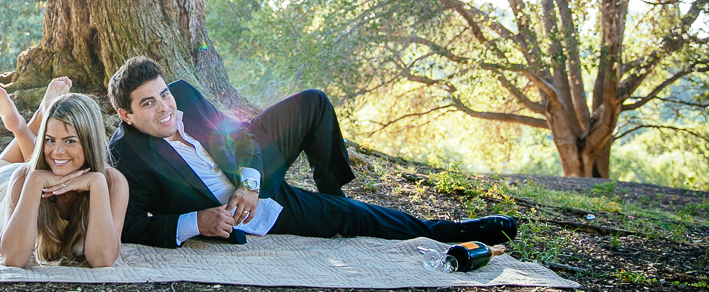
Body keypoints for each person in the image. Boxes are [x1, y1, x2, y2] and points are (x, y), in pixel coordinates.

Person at [106, 56, 518, 250]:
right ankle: (457, 231)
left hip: (254, 175)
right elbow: (131, 228)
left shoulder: (182, 96)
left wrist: (249, 182)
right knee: (354, 218)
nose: (165, 107)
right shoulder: (126, 157)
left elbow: (239, 139)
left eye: (163, 94)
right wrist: (196, 221)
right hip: (255, 212)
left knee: (314, 102)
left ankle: (331, 194)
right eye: (148, 104)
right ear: (125, 114)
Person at [0, 79, 128, 267]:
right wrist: (35, 180)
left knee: (54, 159)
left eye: (70, 141)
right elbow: (12, 259)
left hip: (46, 166)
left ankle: (32, 123)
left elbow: (102, 259)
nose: (58, 150)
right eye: (49, 140)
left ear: (89, 142)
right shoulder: (23, 179)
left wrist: (97, 184)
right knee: (2, 170)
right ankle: (24, 126)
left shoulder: (112, 183)